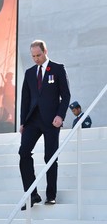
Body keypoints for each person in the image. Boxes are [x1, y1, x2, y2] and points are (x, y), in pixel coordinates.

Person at [19, 39, 70, 210]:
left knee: (50, 157)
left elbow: (66, 96)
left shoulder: (57, 69)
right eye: (33, 56)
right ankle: (32, 194)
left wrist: (60, 116)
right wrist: (22, 122)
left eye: (38, 55)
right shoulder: (29, 73)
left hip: (51, 121)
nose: (36, 59)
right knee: (24, 152)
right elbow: (25, 100)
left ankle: (51, 195)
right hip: (32, 120)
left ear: (45, 51)